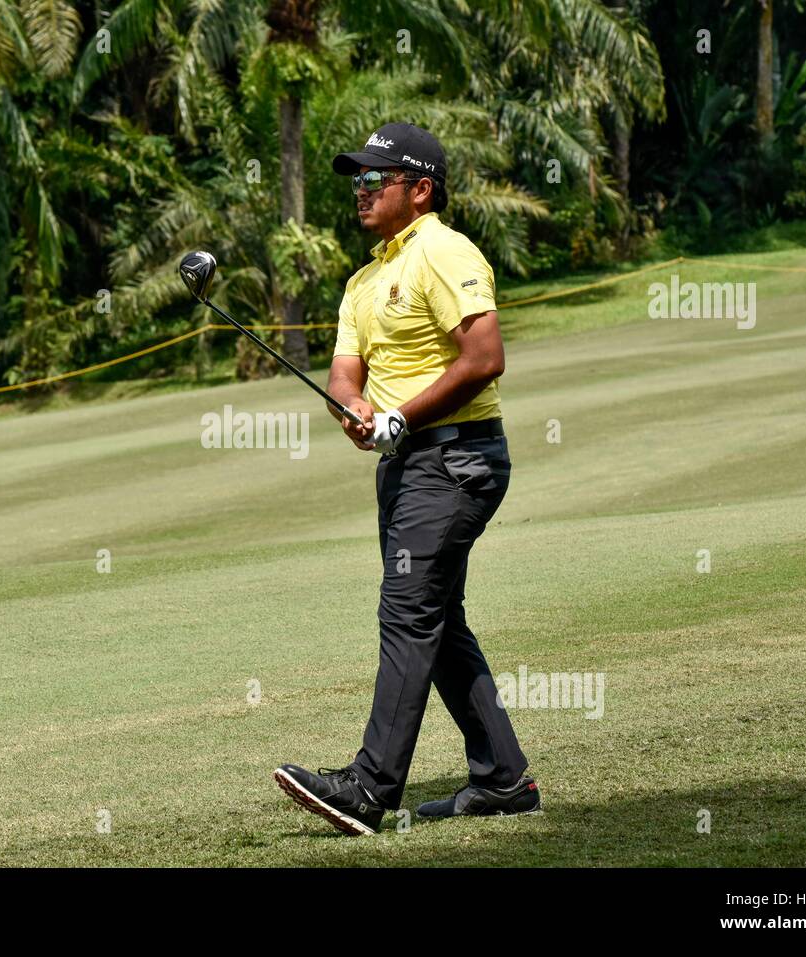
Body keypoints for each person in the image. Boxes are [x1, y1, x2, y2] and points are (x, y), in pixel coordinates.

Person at [273, 123, 540, 835]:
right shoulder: (364, 280)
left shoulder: (444, 251)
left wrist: (399, 417)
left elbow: (484, 357)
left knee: (407, 611)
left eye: (375, 180)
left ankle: (369, 786)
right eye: (356, 181)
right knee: (437, 618)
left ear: (419, 190)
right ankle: (503, 778)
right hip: (408, 466)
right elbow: (344, 373)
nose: (360, 192)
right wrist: (356, 411)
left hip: (457, 458)